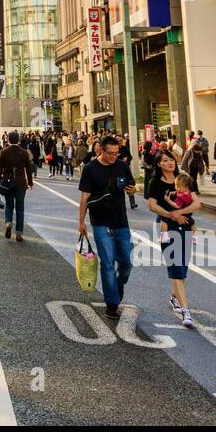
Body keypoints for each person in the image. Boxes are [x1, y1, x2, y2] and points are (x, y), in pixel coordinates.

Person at [76, 137, 136, 320]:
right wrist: (81, 222)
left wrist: (132, 190)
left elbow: (131, 186)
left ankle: (117, 286)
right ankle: (112, 303)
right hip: (100, 221)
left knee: (126, 262)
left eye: (117, 153)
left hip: (121, 221)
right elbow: (85, 197)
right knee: (108, 263)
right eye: (111, 153)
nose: (114, 156)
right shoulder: (90, 169)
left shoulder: (122, 166)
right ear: (100, 150)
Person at [147, 170, 200, 329]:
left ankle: (174, 297)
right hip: (169, 230)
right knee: (177, 269)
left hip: (184, 229)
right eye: (163, 160)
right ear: (158, 163)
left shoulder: (185, 183)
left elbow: (197, 204)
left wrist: (179, 212)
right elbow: (152, 205)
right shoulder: (155, 182)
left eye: (170, 160)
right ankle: (185, 311)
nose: (167, 163)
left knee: (182, 269)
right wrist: (171, 214)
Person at [0, 131, 34, 242]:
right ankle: (19, 233)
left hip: (8, 184)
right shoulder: (24, 152)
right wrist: (30, 182)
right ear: (18, 140)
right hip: (21, 183)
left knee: (9, 205)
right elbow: (28, 169)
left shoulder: (3, 152)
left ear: (8, 140)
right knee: (20, 208)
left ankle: (8, 222)